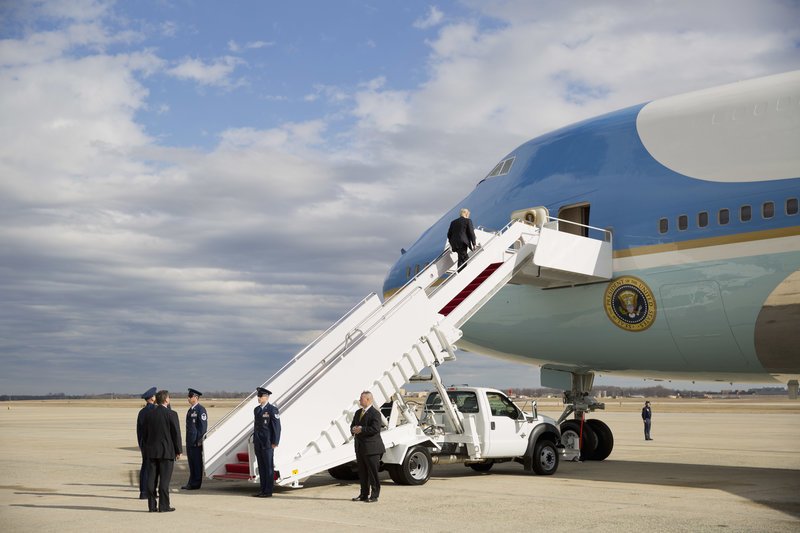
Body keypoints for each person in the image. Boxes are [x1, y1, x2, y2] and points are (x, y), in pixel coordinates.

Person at [142, 390, 182, 512]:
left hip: (152, 452)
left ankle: (152, 506)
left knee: (151, 480)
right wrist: (178, 450)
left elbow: (145, 434)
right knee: (164, 481)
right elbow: (176, 434)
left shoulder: (149, 414)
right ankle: (163, 506)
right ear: (166, 400)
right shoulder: (172, 414)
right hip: (166, 452)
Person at [350, 391, 385, 503]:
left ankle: (374, 496)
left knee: (372, 473)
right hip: (360, 448)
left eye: (361, 399)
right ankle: (363, 494)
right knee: (363, 473)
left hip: (372, 448)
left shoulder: (375, 413)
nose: (360, 401)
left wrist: (362, 429)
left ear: (368, 400)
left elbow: (375, 429)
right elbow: (352, 425)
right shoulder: (357, 412)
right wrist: (353, 429)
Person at [252, 387, 281, 497]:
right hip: (258, 442)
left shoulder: (272, 409)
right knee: (261, 467)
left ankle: (268, 491)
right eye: (258, 396)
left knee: (268, 467)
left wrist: (275, 442)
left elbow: (277, 427)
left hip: (268, 442)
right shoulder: (257, 410)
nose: (258, 398)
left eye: (260, 396)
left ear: (266, 397)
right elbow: (257, 426)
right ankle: (262, 490)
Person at [182, 388, 207, 490]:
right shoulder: (190, 410)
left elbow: (202, 427)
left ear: (196, 397)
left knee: (197, 463)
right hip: (190, 441)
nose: (188, 398)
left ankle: (196, 483)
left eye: (190, 396)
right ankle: (191, 482)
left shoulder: (201, 410)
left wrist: (200, 441)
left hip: (196, 442)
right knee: (191, 463)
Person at [136, 386, 157, 499]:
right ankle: (149, 492)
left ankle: (143, 491)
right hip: (153, 445)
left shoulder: (142, 412)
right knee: (151, 469)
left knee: (145, 468)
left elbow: (139, 430)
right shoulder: (155, 410)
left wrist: (141, 444)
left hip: (144, 444)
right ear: (152, 398)